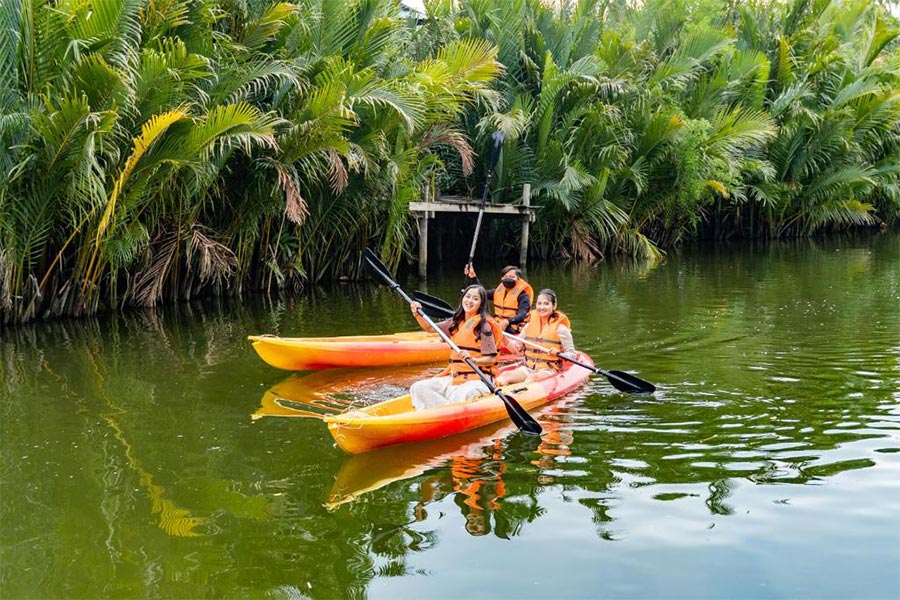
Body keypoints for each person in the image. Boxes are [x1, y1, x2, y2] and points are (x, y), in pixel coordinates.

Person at [408, 284, 501, 410]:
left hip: (478, 379)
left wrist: (474, 360)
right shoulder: (455, 322)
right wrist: (417, 314)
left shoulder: (484, 327)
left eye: (475, 299)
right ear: (462, 298)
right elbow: (430, 328)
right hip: (454, 377)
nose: (470, 301)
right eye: (468, 296)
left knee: (466, 393)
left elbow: (491, 359)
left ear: (481, 303)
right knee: (418, 387)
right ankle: (441, 411)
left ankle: (446, 409)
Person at [494, 289, 575, 386]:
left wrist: (558, 353)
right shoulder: (529, 326)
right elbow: (515, 348)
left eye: (546, 304)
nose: (542, 307)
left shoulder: (561, 329)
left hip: (548, 370)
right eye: (539, 303)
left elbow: (572, 355)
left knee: (532, 379)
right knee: (505, 375)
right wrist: (502, 336)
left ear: (554, 306)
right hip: (528, 368)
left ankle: (519, 396)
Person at [464, 264, 533, 334]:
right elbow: (482, 293)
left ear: (518, 279)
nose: (508, 279)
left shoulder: (523, 296)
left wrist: (507, 322)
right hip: (497, 324)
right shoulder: (497, 292)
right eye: (505, 277)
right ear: (502, 278)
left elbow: (522, 315)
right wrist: (473, 277)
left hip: (513, 327)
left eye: (511, 277)